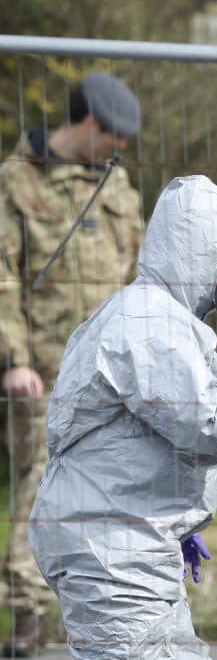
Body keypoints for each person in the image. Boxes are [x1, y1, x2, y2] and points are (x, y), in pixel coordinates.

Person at [28, 175, 217, 659]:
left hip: (130, 538)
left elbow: (136, 436)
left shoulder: (156, 317)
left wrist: (177, 515)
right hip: (113, 548)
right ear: (198, 247)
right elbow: (209, 422)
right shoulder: (148, 323)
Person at [0, 72, 144, 656]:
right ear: (88, 124)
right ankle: (28, 617)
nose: (120, 148)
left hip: (110, 373)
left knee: (111, 491)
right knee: (40, 486)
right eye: (114, 137)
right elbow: (3, 276)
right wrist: (15, 360)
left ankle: (96, 610)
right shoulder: (17, 181)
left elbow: (138, 274)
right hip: (45, 370)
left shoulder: (117, 184)